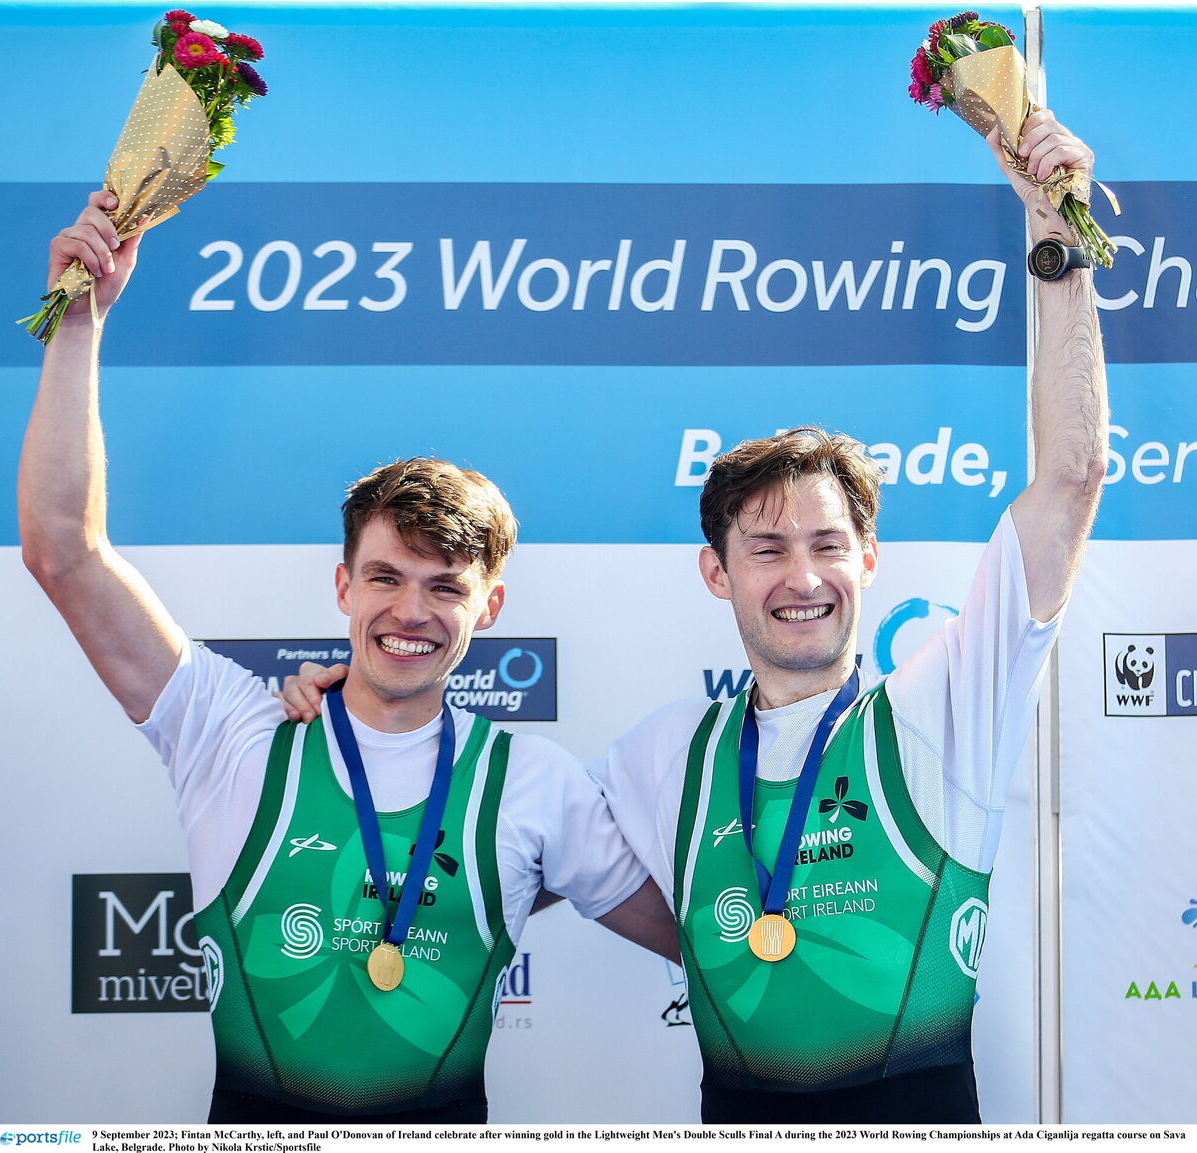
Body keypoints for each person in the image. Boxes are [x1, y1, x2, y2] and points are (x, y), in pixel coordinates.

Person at [283, 110, 1108, 1124]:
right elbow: (482, 829)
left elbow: (1070, 478)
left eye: (825, 545)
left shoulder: (944, 705)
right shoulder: (663, 755)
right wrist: (358, 705)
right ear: (717, 573)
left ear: (869, 560)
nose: (801, 576)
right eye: (766, 548)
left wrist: (1055, 226)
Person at [18, 193, 678, 1124]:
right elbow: (62, 548)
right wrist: (78, 325)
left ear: (489, 606)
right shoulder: (232, 730)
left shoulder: (534, 783)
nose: (411, 611)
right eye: (386, 577)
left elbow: (714, 954)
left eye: (445, 586)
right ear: (342, 586)